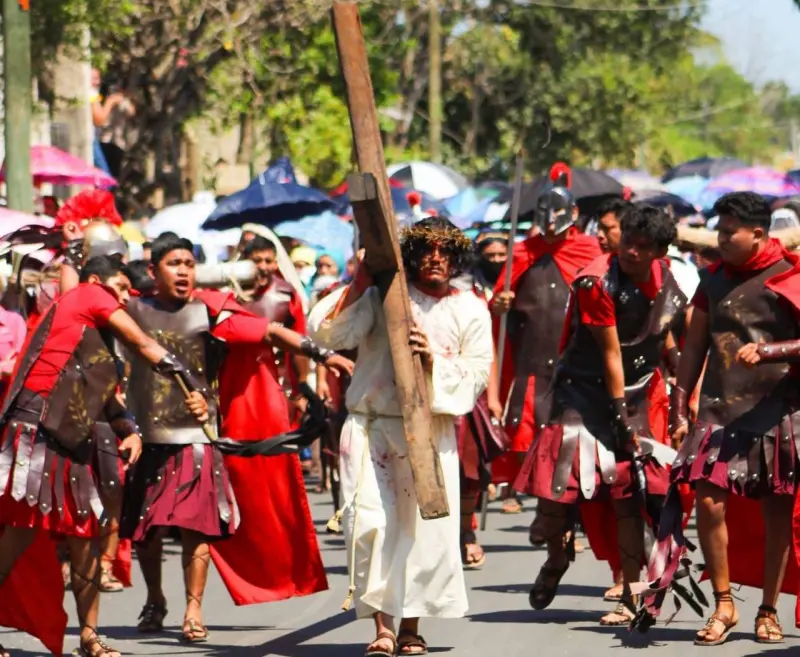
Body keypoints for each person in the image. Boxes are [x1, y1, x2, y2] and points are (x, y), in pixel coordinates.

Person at [120, 234, 351, 643]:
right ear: (154, 270)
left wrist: (323, 355)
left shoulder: (210, 310)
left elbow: (270, 332)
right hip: (147, 433)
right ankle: (156, 598)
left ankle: (193, 609)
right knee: (147, 533)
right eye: (174, 264)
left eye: (189, 264)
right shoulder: (130, 310)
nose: (184, 271)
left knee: (196, 528)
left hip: (197, 434)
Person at [0, 255, 204, 657]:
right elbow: (145, 344)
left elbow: (102, 392)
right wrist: (190, 383)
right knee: (17, 537)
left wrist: (128, 427)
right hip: (37, 433)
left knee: (86, 537)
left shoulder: (94, 332)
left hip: (72, 438)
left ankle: (89, 637)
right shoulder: (87, 295)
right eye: (121, 288)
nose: (125, 297)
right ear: (96, 280)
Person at [311, 217, 493, 657]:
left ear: (455, 258)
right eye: (425, 250)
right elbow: (327, 331)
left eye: (444, 252)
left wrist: (432, 363)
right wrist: (360, 278)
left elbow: (478, 373)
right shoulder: (382, 296)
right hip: (372, 426)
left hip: (432, 429)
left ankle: (410, 627)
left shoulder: (470, 308)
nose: (435, 259)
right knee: (372, 525)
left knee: (426, 534)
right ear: (409, 256)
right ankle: (382, 628)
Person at [514, 205, 686, 625]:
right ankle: (557, 558)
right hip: (582, 394)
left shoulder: (669, 278)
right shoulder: (596, 281)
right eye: (627, 240)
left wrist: (682, 395)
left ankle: (630, 595)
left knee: (628, 499)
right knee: (555, 497)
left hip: (638, 392)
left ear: (661, 252)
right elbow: (611, 356)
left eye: (642, 246)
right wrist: (622, 422)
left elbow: (664, 339)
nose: (629, 250)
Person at [664, 191, 800, 645]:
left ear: (758, 234)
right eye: (717, 231)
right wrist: (679, 401)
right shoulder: (712, 280)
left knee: (777, 513)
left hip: (777, 408)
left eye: (728, 233)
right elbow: (694, 346)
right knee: (707, 502)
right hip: (719, 409)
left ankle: (768, 609)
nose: (719, 240)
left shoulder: (791, 275)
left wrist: (771, 350)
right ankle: (724, 605)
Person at [490, 163, 601, 522]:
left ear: (574, 214)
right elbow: (497, 310)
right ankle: (539, 498)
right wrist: (499, 303)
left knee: (570, 439)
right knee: (524, 439)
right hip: (531, 361)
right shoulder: (521, 252)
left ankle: (562, 511)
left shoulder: (588, 250)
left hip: (574, 362)